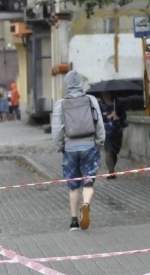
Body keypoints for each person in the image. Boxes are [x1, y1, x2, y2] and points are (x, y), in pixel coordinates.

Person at [51, 70, 105, 231]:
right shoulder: (90, 100)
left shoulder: (61, 104)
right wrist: (100, 142)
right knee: (88, 181)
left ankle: (74, 221)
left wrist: (60, 146)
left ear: (66, 85)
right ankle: (86, 204)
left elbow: (57, 130)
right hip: (89, 146)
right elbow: (99, 123)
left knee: (73, 186)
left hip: (70, 148)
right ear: (81, 84)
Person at [99, 91, 127, 177]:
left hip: (117, 132)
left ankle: (112, 169)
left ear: (111, 94)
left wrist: (117, 117)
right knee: (108, 150)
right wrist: (106, 117)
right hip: (105, 132)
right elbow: (97, 118)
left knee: (114, 152)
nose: (105, 96)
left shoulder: (118, 105)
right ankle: (111, 172)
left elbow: (123, 117)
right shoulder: (100, 106)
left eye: (107, 94)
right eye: (104, 94)